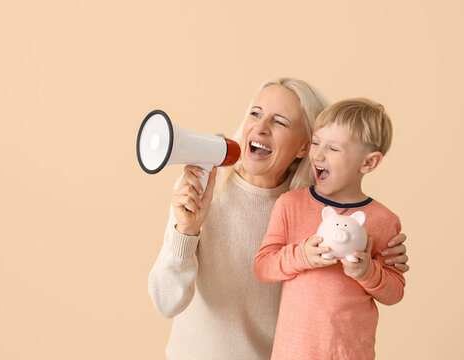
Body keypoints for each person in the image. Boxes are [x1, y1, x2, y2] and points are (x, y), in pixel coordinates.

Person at [148, 79, 409, 360]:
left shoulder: (307, 210)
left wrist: (379, 261)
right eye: (256, 113)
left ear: (303, 147)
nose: (260, 128)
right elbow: (165, 303)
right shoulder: (203, 190)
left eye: (280, 122)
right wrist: (185, 232)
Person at [253, 98, 405, 360]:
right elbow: (263, 267)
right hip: (293, 353)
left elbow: (394, 292)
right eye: (315, 142)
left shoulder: (383, 220)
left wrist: (366, 271)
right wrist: (302, 256)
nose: (318, 154)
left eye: (333, 148)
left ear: (368, 163)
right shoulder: (290, 205)